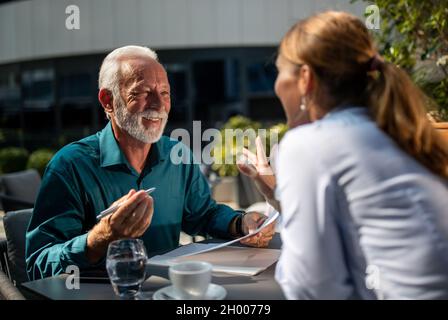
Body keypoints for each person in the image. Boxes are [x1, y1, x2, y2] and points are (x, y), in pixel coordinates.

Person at [238, 11, 448, 299]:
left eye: (279, 72)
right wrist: (276, 194)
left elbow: (313, 288)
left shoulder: (309, 144)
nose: (275, 86)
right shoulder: (400, 131)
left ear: (305, 79)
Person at [25, 45, 275, 280]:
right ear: (108, 101)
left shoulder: (178, 154)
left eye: (164, 93)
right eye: (143, 93)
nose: (159, 105)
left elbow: (203, 215)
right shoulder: (70, 166)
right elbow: (38, 264)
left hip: (170, 291)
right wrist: (100, 237)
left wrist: (240, 223)